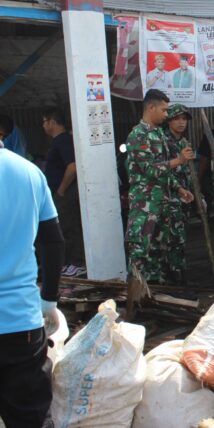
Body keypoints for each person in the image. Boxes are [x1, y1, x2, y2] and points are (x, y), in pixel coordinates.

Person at [0, 138, 64, 428]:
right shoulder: (28, 172)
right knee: (30, 419)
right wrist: (49, 299)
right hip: (20, 322)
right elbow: (53, 241)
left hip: (20, 321)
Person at [125, 90, 194, 284]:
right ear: (150, 107)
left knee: (159, 253)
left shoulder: (158, 134)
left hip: (162, 204)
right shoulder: (138, 135)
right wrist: (179, 160)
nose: (166, 114)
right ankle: (136, 298)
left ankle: (157, 297)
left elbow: (164, 171)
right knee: (140, 252)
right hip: (145, 206)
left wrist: (179, 189)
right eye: (164, 110)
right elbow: (149, 170)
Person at [41, 107, 86, 277]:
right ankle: (69, 263)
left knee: (70, 226)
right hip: (60, 192)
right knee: (64, 226)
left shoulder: (63, 140)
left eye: (44, 122)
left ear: (52, 121)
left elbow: (72, 167)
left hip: (66, 193)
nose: (43, 126)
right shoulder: (58, 141)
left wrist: (61, 189)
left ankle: (78, 263)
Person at [163, 104, 193, 284]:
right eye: (177, 119)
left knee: (181, 241)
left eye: (184, 119)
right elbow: (162, 171)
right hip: (169, 198)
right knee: (173, 243)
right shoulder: (163, 141)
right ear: (169, 121)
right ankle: (176, 282)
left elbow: (188, 171)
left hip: (184, 198)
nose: (181, 123)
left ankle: (181, 279)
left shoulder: (184, 142)